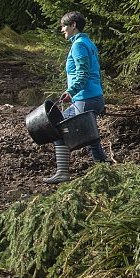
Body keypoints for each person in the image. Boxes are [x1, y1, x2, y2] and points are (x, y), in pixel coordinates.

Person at [44, 11, 107, 184]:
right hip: (93, 97)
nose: (62, 29)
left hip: (85, 98)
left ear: (73, 25)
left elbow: (83, 73)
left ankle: (63, 173)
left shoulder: (79, 45)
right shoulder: (89, 43)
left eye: (64, 25)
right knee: (91, 137)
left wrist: (71, 91)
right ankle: (106, 172)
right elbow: (96, 73)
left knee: (59, 129)